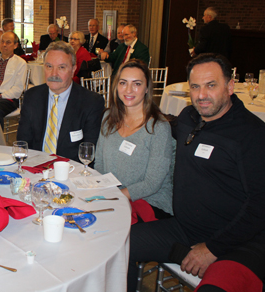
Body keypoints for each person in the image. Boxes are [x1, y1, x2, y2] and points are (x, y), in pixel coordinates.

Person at [127, 53, 265, 292]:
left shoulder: (252, 135)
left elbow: (260, 205)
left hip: (240, 243)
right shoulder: (189, 118)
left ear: (230, 86)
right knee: (116, 245)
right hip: (184, 229)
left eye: (211, 85)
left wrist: (212, 248)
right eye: (195, 87)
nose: (202, 95)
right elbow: (164, 127)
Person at [95, 59, 174, 219]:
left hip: (150, 203)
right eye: (123, 83)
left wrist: (115, 196)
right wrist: (103, 193)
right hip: (113, 197)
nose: (128, 90)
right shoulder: (108, 118)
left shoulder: (158, 127)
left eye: (137, 84)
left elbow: (152, 183)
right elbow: (99, 164)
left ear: (146, 89)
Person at [17, 41, 104, 163]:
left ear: (73, 69)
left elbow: (89, 152)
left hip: (71, 170)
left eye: (61, 67)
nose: (54, 74)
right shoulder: (32, 96)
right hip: (35, 167)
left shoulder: (91, 102)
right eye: (49, 66)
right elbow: (23, 143)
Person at [0, 31, 27, 127]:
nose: (4, 45)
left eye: (8, 42)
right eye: (2, 42)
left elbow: (18, 89)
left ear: (15, 45)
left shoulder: (20, 63)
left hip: (8, 99)